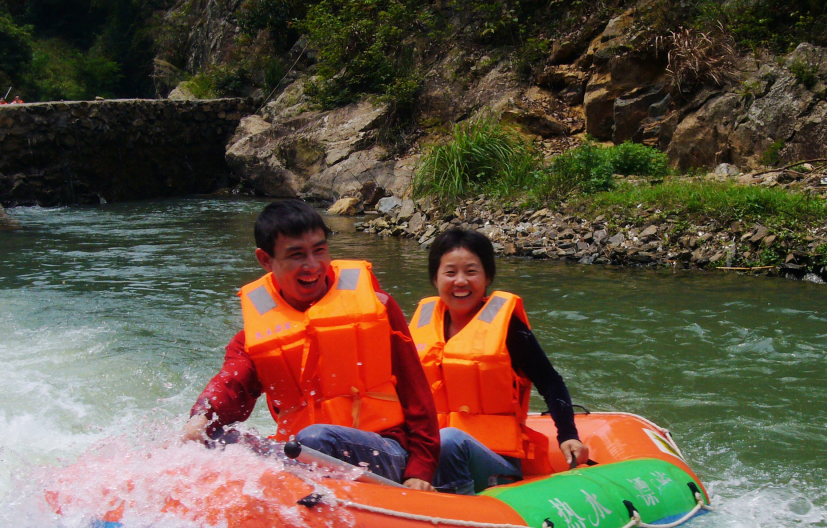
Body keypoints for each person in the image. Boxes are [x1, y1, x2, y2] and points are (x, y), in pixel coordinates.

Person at [182, 199, 439, 490]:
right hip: (302, 452)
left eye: (319, 250)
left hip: (385, 450)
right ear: (265, 260)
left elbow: (416, 390)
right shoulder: (255, 336)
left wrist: (421, 468)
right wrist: (201, 419)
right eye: (297, 255)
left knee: (316, 439)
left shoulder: (377, 306)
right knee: (222, 442)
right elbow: (232, 382)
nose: (313, 266)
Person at [409, 227, 589, 494]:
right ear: (435, 279)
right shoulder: (422, 325)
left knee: (449, 441)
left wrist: (568, 434)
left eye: (471, 272)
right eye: (450, 272)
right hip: (430, 454)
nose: (460, 281)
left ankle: (457, 513)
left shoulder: (508, 329)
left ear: (487, 277)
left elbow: (550, 382)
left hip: (496, 460)